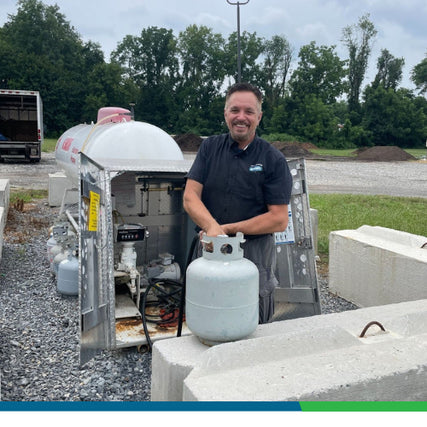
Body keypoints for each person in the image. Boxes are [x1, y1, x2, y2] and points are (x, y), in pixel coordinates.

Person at [183, 82, 293, 323]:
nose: (241, 117)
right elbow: (190, 196)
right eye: (234, 110)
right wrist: (213, 229)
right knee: (206, 311)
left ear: (259, 116)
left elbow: (278, 219)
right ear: (225, 113)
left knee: (250, 319)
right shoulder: (209, 147)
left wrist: (228, 230)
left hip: (252, 253)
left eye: (249, 111)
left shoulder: (273, 159)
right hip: (209, 248)